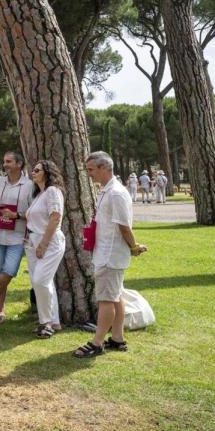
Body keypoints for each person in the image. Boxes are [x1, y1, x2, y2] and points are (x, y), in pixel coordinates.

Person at [75, 151, 147, 358]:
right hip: (107, 252)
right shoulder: (107, 191)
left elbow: (124, 226)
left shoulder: (115, 193)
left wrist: (133, 247)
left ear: (104, 168)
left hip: (110, 254)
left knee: (106, 299)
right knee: (116, 297)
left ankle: (97, 342)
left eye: (91, 170)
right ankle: (117, 338)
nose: (89, 174)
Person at [0, 151, 35, 323]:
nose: (6, 164)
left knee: (9, 271)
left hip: (17, 237)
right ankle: (1, 311)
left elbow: (36, 212)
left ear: (19, 164)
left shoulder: (30, 186)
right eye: (4, 161)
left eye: (9, 161)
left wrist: (16, 215)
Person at [24, 160, 67, 338]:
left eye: (37, 170)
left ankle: (46, 322)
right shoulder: (38, 195)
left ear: (47, 173)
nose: (33, 173)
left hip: (49, 242)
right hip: (32, 241)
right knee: (42, 282)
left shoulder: (52, 191)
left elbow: (55, 217)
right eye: (32, 170)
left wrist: (43, 243)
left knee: (41, 280)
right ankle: (52, 321)